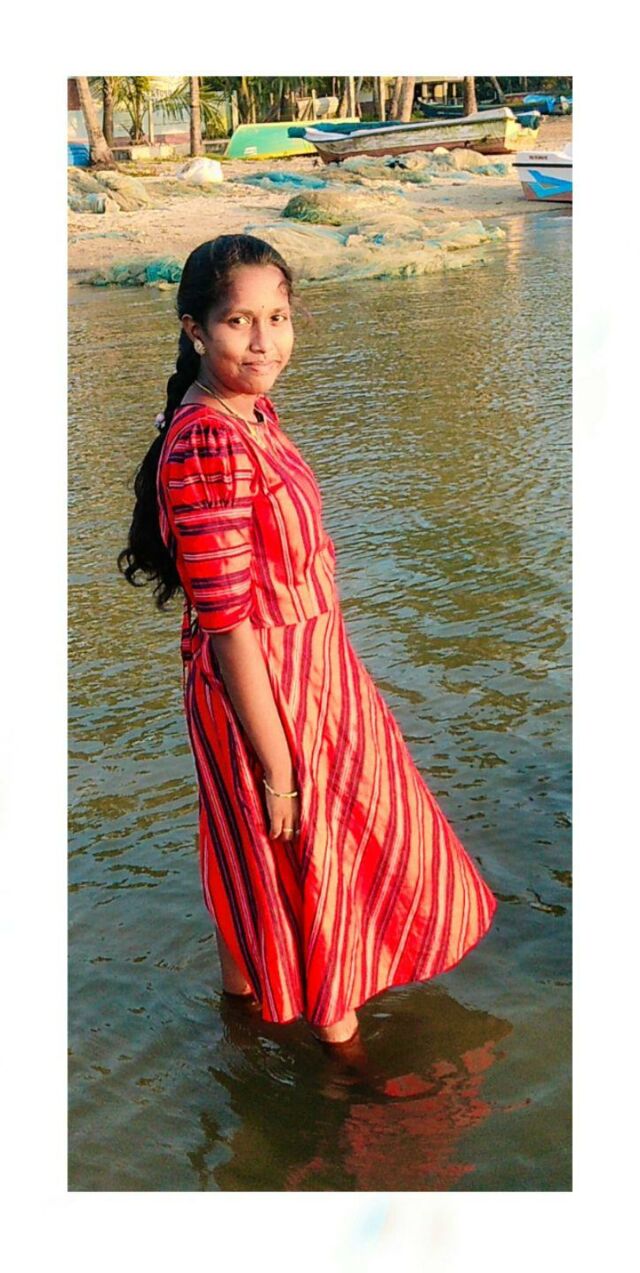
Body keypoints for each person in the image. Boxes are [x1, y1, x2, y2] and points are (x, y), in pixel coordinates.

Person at [118, 233, 498, 1048]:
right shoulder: (211, 440)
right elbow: (228, 623)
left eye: (278, 317)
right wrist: (280, 769)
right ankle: (346, 1075)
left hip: (313, 676)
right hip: (270, 691)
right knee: (307, 865)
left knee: (270, 865)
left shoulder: (246, 413)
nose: (265, 341)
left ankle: (245, 1035)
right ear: (194, 329)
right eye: (239, 321)